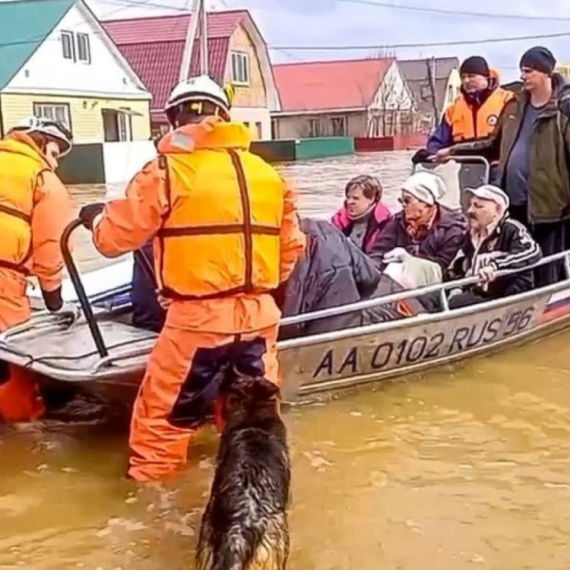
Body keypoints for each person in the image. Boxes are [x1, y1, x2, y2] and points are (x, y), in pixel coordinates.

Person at [77, 75, 306, 482]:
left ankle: (156, 520)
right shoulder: (269, 176)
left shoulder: (167, 170)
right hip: (258, 319)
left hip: (196, 323)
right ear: (224, 115)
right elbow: (290, 251)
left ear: (172, 119)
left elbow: (114, 239)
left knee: (159, 432)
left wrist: (94, 216)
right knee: (253, 425)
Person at [448, 47, 570, 286]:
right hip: (513, 202)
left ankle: (554, 309)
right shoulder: (514, 105)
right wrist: (452, 151)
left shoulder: (563, 109)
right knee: (517, 264)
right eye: (522, 71)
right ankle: (519, 309)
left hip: (551, 205)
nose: (523, 76)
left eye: (529, 71)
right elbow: (492, 144)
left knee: (549, 266)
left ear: (546, 73)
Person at [0, 117, 77, 422]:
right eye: (56, 154)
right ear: (41, 143)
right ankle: (22, 433)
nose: (56, 164)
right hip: (4, 283)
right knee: (13, 363)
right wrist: (54, 300)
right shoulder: (43, 178)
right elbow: (52, 246)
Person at [277, 218, 424, 339]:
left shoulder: (270, 248)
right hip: (344, 326)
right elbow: (370, 278)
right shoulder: (326, 229)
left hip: (299, 332)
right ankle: (423, 320)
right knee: (389, 288)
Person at [412, 56, 513, 189]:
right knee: (468, 208)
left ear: (486, 77)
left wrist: (451, 152)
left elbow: (504, 141)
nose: (466, 80)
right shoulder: (454, 109)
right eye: (463, 77)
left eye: (471, 76)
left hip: (499, 170)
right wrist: (429, 155)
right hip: (467, 171)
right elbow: (438, 140)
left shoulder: (507, 101)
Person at [448, 185, 541, 308]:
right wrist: (456, 287)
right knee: (430, 296)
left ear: (497, 211)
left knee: (456, 303)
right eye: (471, 205)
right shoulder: (471, 234)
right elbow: (458, 267)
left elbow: (533, 252)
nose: (470, 211)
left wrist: (495, 266)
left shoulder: (511, 229)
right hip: (477, 292)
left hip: (506, 298)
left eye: (478, 206)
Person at [369, 171, 467, 286]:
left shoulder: (453, 228)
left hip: (433, 286)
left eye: (407, 201)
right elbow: (378, 251)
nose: (403, 205)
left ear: (425, 203)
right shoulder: (398, 222)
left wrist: (411, 261)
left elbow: (443, 268)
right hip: (395, 280)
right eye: (401, 201)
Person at [331, 174, 392, 253]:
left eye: (355, 198)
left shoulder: (386, 224)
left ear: (371, 199)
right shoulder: (338, 220)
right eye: (348, 197)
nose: (349, 202)